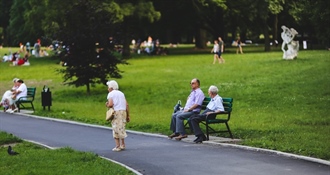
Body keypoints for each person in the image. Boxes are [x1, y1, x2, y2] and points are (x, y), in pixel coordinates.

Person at [105, 80, 130, 152]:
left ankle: (117, 146)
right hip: (123, 112)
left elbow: (110, 104)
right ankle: (123, 144)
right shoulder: (121, 93)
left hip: (116, 112)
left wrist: (107, 104)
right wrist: (128, 115)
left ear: (111, 88)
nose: (107, 89)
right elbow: (127, 105)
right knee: (121, 127)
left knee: (115, 128)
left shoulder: (111, 94)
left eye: (108, 87)